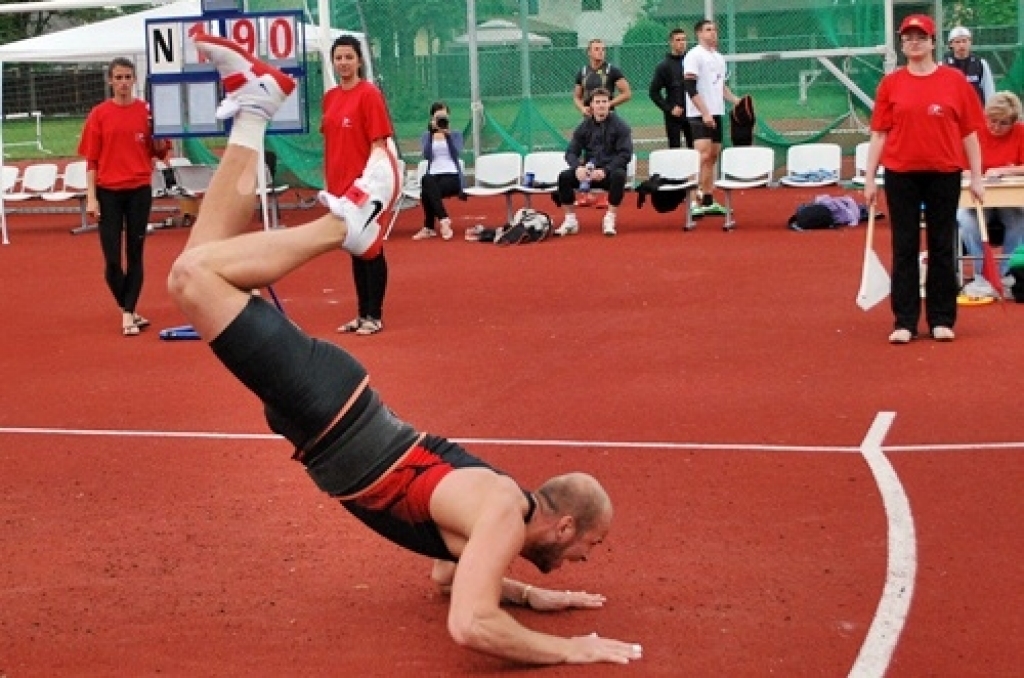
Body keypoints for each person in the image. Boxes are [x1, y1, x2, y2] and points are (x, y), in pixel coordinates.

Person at [167, 34, 643, 666]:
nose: (587, 558)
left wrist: (532, 596)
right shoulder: (502, 509)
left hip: (326, 409)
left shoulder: (495, 512)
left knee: (197, 264)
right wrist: (570, 650)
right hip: (326, 406)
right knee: (191, 280)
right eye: (591, 546)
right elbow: (470, 623)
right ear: (564, 527)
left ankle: (256, 107)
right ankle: (346, 224)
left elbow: (451, 579)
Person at [862, 14, 985, 344]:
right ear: (902, 45)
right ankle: (904, 320)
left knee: (942, 245)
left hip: (944, 172)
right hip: (901, 173)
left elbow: (969, 133)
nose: (913, 43)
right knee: (904, 247)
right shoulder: (891, 84)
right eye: (907, 38)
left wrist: (977, 176)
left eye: (920, 37)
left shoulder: (954, 82)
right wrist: (870, 178)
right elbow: (879, 134)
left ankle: (942, 318)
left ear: (933, 42)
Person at [79, 57, 170, 336]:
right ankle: (127, 307)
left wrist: (158, 135)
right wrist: (92, 198)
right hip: (108, 193)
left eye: (127, 77)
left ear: (134, 80)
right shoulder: (99, 114)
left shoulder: (146, 112)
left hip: (139, 191)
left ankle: (128, 314)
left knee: (135, 252)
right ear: (110, 81)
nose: (122, 83)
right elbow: (91, 161)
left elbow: (160, 151)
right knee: (112, 260)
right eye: (117, 78)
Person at [321, 35, 397, 336]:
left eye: (348, 57)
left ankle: (374, 315)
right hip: (339, 188)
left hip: (365, 188)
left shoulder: (369, 95)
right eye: (338, 58)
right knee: (354, 247)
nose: (343, 63)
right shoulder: (330, 97)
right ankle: (361, 312)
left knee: (371, 247)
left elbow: (379, 144)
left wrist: (368, 184)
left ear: (359, 60)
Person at [957, 91, 1024, 298]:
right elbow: (958, 165)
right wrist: (972, 173)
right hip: (976, 197)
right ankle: (982, 276)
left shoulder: (1021, 133)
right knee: (966, 221)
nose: (995, 127)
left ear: (1013, 122)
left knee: (1017, 220)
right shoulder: (973, 132)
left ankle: (1005, 274)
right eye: (992, 121)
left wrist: (1005, 170)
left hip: (1006, 198)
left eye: (1003, 123)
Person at [553, 88, 633, 238]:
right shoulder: (583, 127)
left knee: (620, 175)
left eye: (604, 101)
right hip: (588, 173)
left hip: (608, 174)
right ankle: (570, 221)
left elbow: (625, 154)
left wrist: (606, 170)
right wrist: (578, 168)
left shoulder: (621, 126)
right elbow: (570, 152)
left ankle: (609, 219)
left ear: (610, 104)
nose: (601, 105)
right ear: (591, 105)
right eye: (598, 102)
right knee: (564, 177)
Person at [683, 19, 740, 218]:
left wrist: (735, 100)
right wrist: (705, 112)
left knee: (714, 155)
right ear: (699, 34)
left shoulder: (719, 58)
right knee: (701, 155)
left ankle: (707, 198)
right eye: (708, 30)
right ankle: (691, 201)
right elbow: (690, 88)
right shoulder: (694, 56)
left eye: (715, 30)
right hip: (699, 113)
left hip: (717, 111)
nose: (713, 33)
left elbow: (720, 86)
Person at [412, 101, 465, 241]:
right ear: (432, 119)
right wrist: (432, 133)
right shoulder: (426, 136)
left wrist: (447, 135)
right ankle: (443, 220)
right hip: (434, 177)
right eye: (438, 117)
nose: (441, 120)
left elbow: (456, 153)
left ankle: (429, 227)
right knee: (426, 180)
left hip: (452, 177)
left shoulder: (455, 134)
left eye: (444, 116)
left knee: (426, 191)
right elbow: (427, 156)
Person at [648, 27, 693, 150]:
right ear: (671, 43)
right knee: (675, 150)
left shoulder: (692, 61)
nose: (682, 43)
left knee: (695, 149)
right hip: (674, 116)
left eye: (684, 40)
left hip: (693, 112)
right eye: (678, 40)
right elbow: (653, 92)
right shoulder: (664, 66)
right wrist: (669, 108)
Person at [573, 39, 632, 118]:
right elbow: (577, 97)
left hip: (608, 116)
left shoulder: (611, 70)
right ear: (589, 52)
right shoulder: (583, 72)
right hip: (589, 116)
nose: (601, 52)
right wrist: (582, 108)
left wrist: (608, 104)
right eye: (597, 49)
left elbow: (627, 93)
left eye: (603, 49)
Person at [944, 26, 996, 105]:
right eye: (957, 42)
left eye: (964, 41)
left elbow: (989, 90)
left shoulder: (981, 63)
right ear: (951, 44)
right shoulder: (943, 65)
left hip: (976, 110)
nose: (961, 45)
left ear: (970, 42)